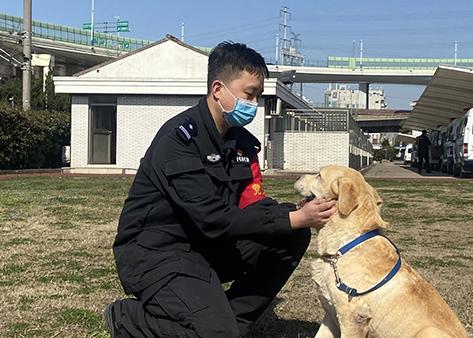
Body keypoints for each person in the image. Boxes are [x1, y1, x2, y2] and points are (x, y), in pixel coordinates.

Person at [103, 41, 337, 337]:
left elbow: (253, 204)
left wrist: (294, 213)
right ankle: (129, 318)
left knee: (290, 234)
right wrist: (293, 218)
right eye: (248, 94)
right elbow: (212, 217)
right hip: (157, 253)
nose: (253, 104)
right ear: (218, 90)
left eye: (258, 96)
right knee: (289, 226)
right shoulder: (179, 140)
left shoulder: (242, 143)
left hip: (206, 246)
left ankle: (234, 322)